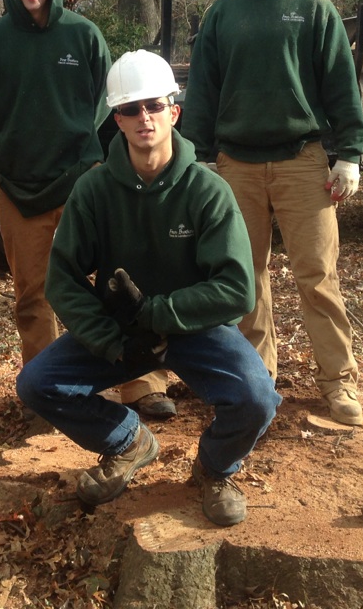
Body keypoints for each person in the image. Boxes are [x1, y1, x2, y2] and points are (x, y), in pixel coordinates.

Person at [16, 51, 279, 527]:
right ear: (117, 119)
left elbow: (238, 289)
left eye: (154, 106)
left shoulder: (207, 190)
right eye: (131, 109)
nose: (144, 118)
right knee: (38, 384)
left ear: (173, 111)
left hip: (194, 328)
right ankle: (127, 441)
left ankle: (216, 468)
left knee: (258, 398)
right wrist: (111, 339)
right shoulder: (93, 191)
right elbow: (63, 279)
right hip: (122, 334)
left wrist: (158, 313)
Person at [0, 0, 172, 418]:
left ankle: (141, 382)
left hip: (82, 179)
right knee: (32, 293)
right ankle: (49, 395)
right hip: (18, 186)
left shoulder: (82, 35)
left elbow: (104, 106)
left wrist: (81, 154)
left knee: (116, 278)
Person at [183, 0, 363, 427]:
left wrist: (349, 153)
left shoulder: (312, 8)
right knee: (245, 278)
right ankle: (257, 380)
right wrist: (194, 156)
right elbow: (202, 92)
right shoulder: (222, 15)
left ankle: (338, 383)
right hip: (236, 165)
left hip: (301, 161)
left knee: (317, 275)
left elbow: (340, 85)